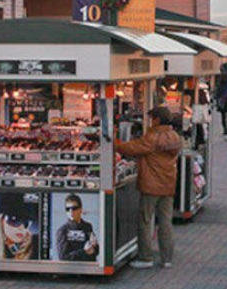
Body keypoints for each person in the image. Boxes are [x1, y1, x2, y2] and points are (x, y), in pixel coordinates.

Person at [115, 106, 182, 269]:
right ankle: (167, 258)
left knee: (145, 220)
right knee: (166, 222)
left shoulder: (152, 137)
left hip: (151, 185)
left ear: (158, 119)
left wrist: (114, 142)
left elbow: (131, 148)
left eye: (152, 118)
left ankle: (146, 257)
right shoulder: (174, 137)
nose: (151, 121)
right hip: (168, 185)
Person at [56, 194, 99, 261]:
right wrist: (84, 251)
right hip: (72, 270)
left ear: (80, 209)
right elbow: (63, 257)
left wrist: (94, 247)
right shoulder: (62, 230)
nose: (71, 211)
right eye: (68, 209)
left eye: (74, 208)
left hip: (89, 269)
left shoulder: (87, 226)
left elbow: (96, 251)